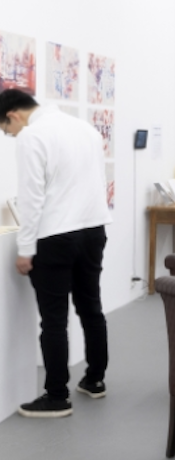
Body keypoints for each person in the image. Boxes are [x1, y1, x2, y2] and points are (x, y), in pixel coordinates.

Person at [0, 89, 112, 418]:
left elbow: (31, 197)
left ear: (14, 115)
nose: (10, 135)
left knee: (53, 320)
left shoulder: (32, 136)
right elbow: (97, 181)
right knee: (91, 308)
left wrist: (25, 250)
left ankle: (57, 396)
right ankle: (95, 380)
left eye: (6, 129)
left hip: (54, 237)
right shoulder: (85, 129)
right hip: (93, 230)